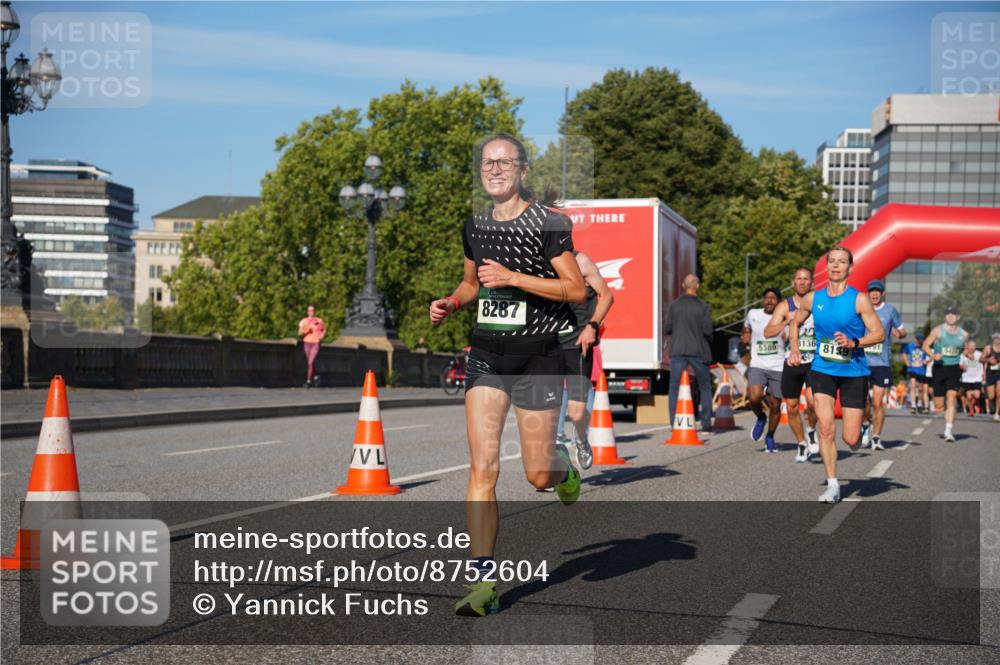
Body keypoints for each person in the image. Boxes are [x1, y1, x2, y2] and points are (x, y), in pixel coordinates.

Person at [428, 133, 585, 617]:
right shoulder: (474, 225)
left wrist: (515, 278)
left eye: (504, 162)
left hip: (537, 358)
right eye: (487, 162)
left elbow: (576, 289)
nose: (494, 169)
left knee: (537, 473)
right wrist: (453, 302)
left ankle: (560, 468)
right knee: (483, 469)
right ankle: (483, 583)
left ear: (522, 170)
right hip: (486, 356)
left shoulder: (547, 224)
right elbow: (473, 281)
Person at [788, 246, 884, 503]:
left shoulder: (859, 299)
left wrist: (854, 342)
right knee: (826, 428)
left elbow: (878, 333)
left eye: (842, 262)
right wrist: (794, 347)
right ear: (826, 266)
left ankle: (863, 425)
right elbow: (795, 322)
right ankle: (833, 484)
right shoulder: (812, 299)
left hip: (854, 371)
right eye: (832, 261)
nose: (836, 265)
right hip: (822, 369)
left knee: (850, 439)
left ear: (850, 268)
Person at [554, 250, 614, 470]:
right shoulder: (538, 262)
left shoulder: (582, 262)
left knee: (577, 413)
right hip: (549, 345)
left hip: (578, 345)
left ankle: (581, 439)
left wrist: (592, 326)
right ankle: (551, 464)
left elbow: (607, 296)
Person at [764, 268, 819, 462]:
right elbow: (767, 332)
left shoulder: (819, 302)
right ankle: (802, 443)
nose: (803, 282)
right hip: (791, 361)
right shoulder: (783, 306)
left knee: (813, 403)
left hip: (815, 360)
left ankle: (811, 429)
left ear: (812, 283)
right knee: (792, 407)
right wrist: (786, 322)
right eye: (799, 279)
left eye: (806, 279)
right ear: (793, 282)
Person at [665, 274, 714, 433]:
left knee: (674, 387)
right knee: (705, 387)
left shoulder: (674, 306)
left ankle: (674, 423)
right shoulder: (704, 306)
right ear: (697, 286)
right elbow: (708, 331)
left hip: (678, 350)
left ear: (682, 285)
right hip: (698, 351)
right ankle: (706, 423)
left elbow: (668, 328)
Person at [861, 280, 905, 451]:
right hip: (863, 361)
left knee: (878, 402)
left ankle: (877, 437)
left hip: (881, 362)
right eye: (871, 291)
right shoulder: (862, 309)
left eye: (877, 291)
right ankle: (865, 425)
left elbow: (902, 330)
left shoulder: (890, 311)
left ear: (883, 293)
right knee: (864, 402)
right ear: (868, 294)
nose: (874, 294)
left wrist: (899, 333)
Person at [743, 288, 786, 453]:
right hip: (758, 364)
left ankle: (770, 436)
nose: (769, 301)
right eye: (766, 298)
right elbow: (746, 328)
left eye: (773, 298)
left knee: (775, 405)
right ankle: (761, 417)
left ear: (779, 302)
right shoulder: (753, 314)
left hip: (778, 366)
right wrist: (745, 335)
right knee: (754, 397)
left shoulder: (784, 317)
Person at [922, 306, 968, 442]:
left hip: (954, 369)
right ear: (945, 316)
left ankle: (948, 430)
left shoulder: (963, 334)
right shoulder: (937, 330)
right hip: (939, 368)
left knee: (952, 398)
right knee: (939, 404)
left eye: (953, 314)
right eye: (948, 314)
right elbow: (925, 345)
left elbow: (964, 350)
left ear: (958, 317)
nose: (950, 316)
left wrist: (964, 360)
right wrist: (933, 354)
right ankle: (939, 408)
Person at [900, 332, 930, 413]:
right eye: (919, 340)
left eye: (921, 340)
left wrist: (926, 361)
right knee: (913, 385)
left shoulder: (924, 346)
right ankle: (913, 405)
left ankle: (919, 403)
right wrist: (906, 361)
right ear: (915, 339)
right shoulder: (910, 345)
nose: (920, 342)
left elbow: (930, 355)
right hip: (912, 369)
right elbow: (903, 352)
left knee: (920, 388)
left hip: (921, 370)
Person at [297, 305, 326, 387]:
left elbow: (323, 330)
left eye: (312, 310)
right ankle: (315, 376)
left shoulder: (318, 320)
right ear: (307, 312)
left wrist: (321, 336)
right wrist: (306, 331)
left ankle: (308, 381)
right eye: (309, 310)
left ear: (314, 311)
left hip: (315, 343)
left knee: (311, 361)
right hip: (307, 342)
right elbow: (299, 333)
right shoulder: (304, 321)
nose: (311, 312)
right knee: (309, 362)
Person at [959, 339, 983, 417]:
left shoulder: (979, 354)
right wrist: (962, 367)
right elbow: (960, 365)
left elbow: (984, 362)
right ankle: (971, 410)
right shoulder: (962, 355)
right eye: (970, 346)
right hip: (967, 378)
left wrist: (984, 373)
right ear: (967, 347)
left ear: (975, 347)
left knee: (977, 396)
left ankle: (973, 404)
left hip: (977, 378)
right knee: (969, 396)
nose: (972, 348)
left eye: (973, 346)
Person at [982, 333, 1000, 422]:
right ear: (993, 339)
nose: (997, 340)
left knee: (999, 392)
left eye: (998, 338)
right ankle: (993, 407)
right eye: (995, 338)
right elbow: (980, 359)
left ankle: (997, 413)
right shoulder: (988, 348)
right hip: (990, 373)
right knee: (991, 396)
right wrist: (988, 360)